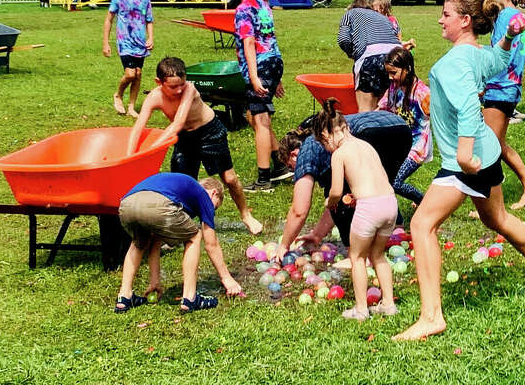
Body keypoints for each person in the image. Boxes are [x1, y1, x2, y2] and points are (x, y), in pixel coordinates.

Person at [393, 0, 525, 342]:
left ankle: (431, 317)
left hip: (466, 159)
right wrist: (510, 36)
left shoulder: (454, 63)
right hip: (486, 151)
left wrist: (465, 154)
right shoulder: (477, 54)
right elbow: (499, 62)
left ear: (465, 21)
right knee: (495, 218)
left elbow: (470, 106)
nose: (440, 20)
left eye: (446, 14)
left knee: (422, 224)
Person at [125, 56, 263, 235]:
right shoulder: (154, 97)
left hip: (209, 131)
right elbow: (138, 128)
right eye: (173, 86)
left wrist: (151, 149)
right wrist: (130, 156)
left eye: (181, 83)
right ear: (159, 82)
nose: (179, 89)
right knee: (180, 182)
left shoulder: (189, 89)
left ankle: (246, 215)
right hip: (185, 138)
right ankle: (179, 224)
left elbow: (177, 123)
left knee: (229, 178)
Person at [273, 109, 413, 260]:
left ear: (293, 154)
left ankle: (357, 256)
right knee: (377, 188)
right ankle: (394, 234)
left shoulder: (308, 149)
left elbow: (299, 210)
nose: (294, 171)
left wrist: (284, 245)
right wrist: (317, 235)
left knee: (345, 198)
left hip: (372, 132)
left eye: (290, 166)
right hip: (401, 129)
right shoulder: (324, 146)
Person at [312, 101, 400, 320]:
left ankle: (361, 309)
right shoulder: (366, 145)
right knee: (378, 255)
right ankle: (388, 304)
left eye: (324, 143)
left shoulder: (339, 154)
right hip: (389, 203)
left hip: (369, 208)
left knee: (357, 257)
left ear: (328, 135)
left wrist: (330, 203)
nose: (326, 148)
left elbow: (335, 191)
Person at [115, 172, 242, 313]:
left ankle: (124, 297)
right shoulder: (203, 195)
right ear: (213, 193)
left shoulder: (177, 187)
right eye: (215, 207)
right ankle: (190, 298)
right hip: (158, 204)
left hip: (127, 204)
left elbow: (156, 242)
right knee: (194, 236)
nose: (211, 211)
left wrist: (154, 281)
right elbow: (211, 244)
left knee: (140, 242)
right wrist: (227, 278)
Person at [481, 0, 525, 210]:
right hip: (509, 86)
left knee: (489, 145)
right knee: (497, 143)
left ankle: (492, 204)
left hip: (500, 87)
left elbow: (500, 54)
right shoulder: (516, 16)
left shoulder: (507, 16)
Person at [229, 0, 288, 192]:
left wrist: (254, 77)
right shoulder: (263, 4)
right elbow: (270, 37)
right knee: (254, 117)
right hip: (273, 62)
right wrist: (277, 76)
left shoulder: (243, 9)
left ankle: (264, 180)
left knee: (260, 120)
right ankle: (280, 166)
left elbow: (250, 42)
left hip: (260, 65)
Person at [378, 46, 432, 205]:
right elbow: (382, 107)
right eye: (388, 72)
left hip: (417, 146)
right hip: (399, 144)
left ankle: (424, 203)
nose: (390, 77)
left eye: (393, 73)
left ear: (407, 69)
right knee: (384, 178)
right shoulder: (393, 88)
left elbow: (440, 118)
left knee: (395, 182)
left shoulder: (423, 93)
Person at [102, 0, 154, 116]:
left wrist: (150, 37)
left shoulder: (146, 0)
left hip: (140, 42)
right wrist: (106, 43)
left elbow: (149, 21)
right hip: (124, 42)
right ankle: (118, 95)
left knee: (138, 73)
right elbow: (109, 20)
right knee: (130, 74)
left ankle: (131, 106)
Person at [337, 0, 403, 112]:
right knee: (386, 107)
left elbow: (343, 39)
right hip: (396, 58)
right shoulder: (383, 18)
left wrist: (351, 54)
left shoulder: (350, 13)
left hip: (370, 57)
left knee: (365, 111)